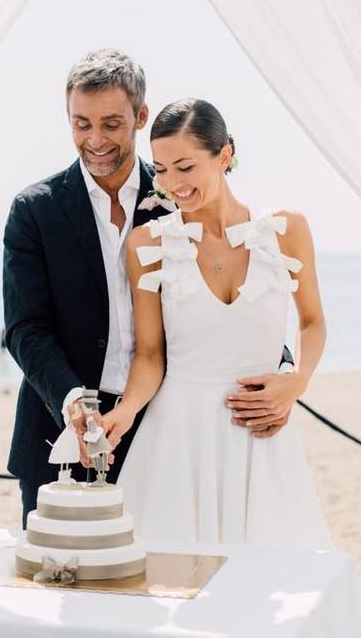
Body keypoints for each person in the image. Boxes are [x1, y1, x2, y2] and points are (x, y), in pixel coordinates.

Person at [2, 49, 294, 528]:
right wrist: (72, 397)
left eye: (111, 124)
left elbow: (232, 299)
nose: (94, 140)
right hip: (61, 430)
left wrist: (282, 374)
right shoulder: (35, 210)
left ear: (140, 116)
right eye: (81, 124)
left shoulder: (184, 197)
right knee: (66, 583)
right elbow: (25, 328)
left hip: (168, 430)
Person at [105, 99, 331, 548]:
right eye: (161, 169)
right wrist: (126, 411)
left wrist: (296, 383)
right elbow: (150, 355)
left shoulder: (288, 229)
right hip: (178, 438)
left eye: (185, 167)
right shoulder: (147, 244)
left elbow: (312, 322)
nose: (171, 184)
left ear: (224, 155)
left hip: (261, 434)